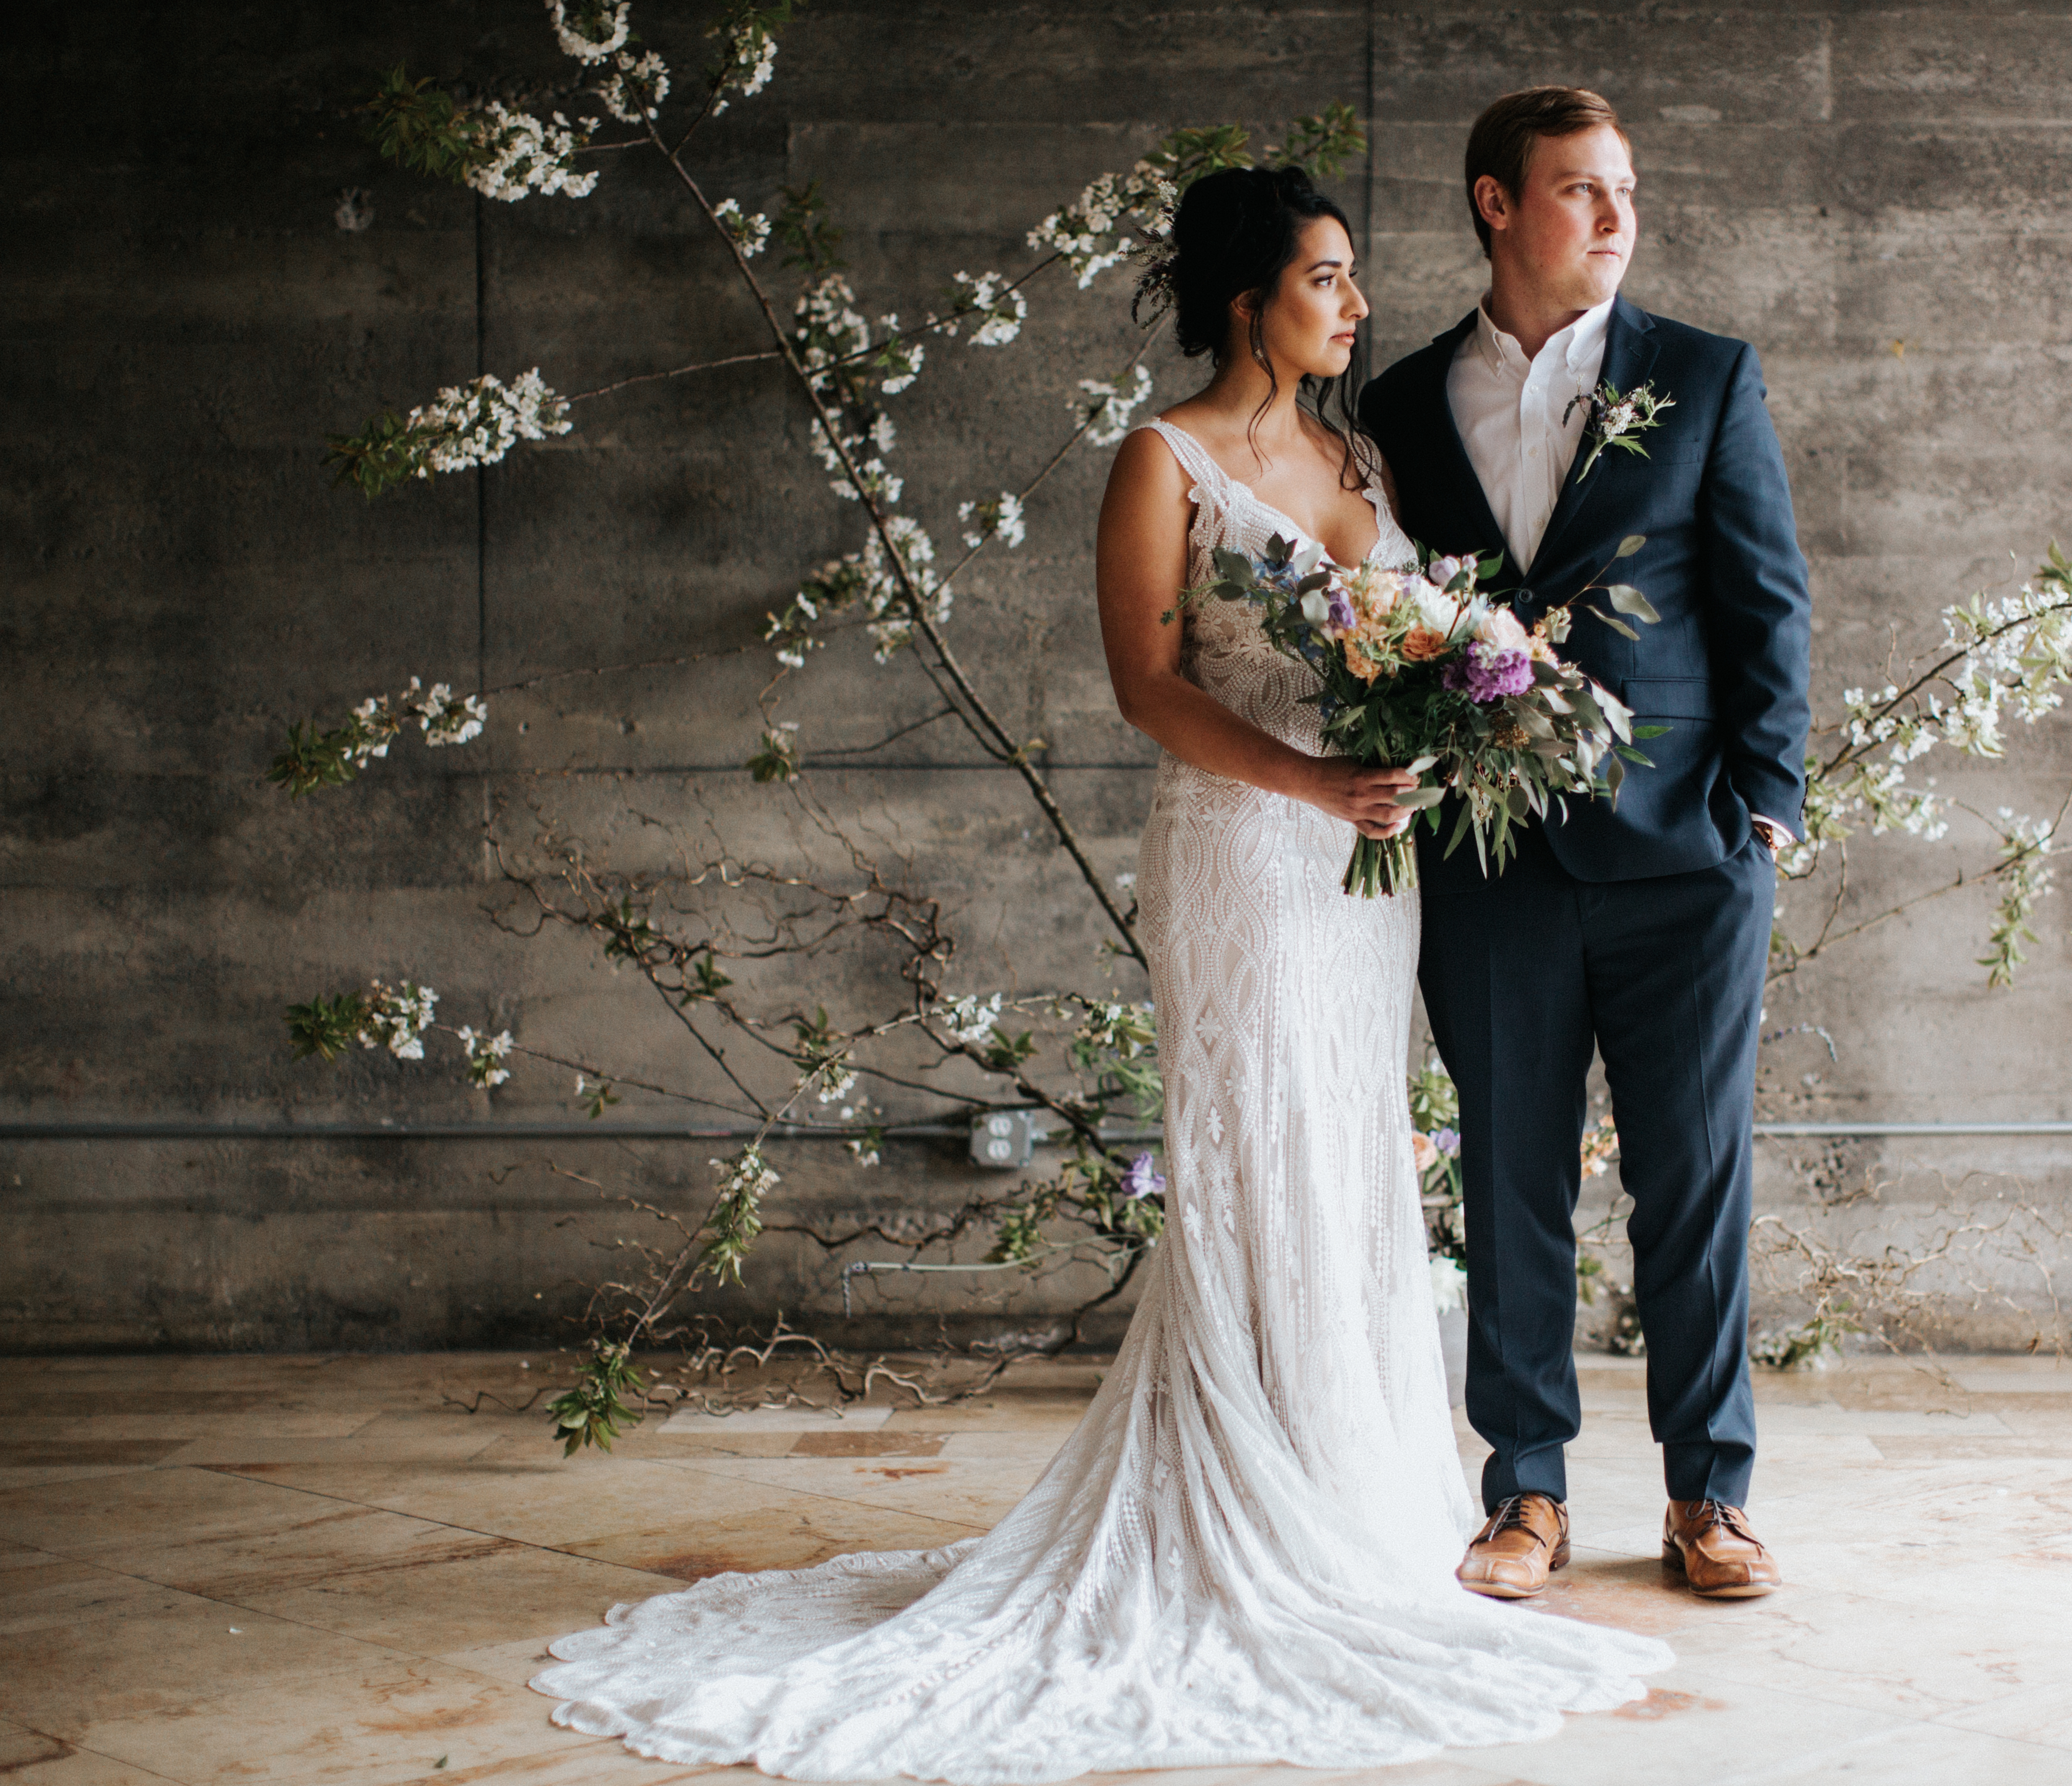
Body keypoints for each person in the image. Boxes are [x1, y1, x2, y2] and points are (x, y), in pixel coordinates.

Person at [529, 163, 1671, 1786]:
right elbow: (1146, 685)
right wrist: (1317, 784)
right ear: (1246, 301)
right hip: (1245, 849)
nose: (1354, 306)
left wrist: (1441, 710)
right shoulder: (1164, 460)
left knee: (1347, 1142)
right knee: (1256, 1147)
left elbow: (1408, 629)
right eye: (1326, 281)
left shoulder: (1355, 450)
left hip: (1367, 868)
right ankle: (1238, 1499)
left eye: (1351, 280)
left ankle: (1355, 1489)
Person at [1359, 86, 1813, 1604]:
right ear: (1496, 205)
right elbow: (1387, 624)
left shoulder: (1704, 376)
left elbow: (1767, 603)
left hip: (1687, 861)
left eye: (1624, 190)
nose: (1615, 217)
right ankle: (1526, 1491)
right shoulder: (1404, 405)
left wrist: (1766, 806)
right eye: (1579, 191)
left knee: (1695, 1184)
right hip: (1492, 868)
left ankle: (1710, 1497)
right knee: (1509, 1184)